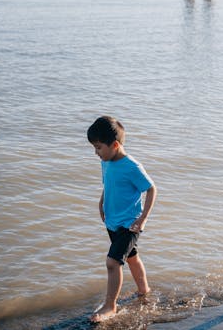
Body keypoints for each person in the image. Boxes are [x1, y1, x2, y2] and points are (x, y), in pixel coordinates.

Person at [87, 116, 157, 322]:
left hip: (130, 224)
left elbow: (151, 189)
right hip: (113, 222)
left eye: (98, 147)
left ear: (115, 145)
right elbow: (108, 184)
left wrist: (143, 219)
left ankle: (110, 305)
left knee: (113, 262)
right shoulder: (106, 161)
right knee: (132, 257)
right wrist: (101, 202)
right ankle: (144, 291)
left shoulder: (131, 166)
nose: (96, 152)